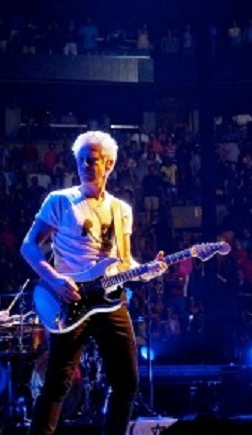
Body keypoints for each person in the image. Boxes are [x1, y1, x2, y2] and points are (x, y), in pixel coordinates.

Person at [21, 130, 166, 435]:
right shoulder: (59, 200)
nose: (85, 166)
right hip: (70, 300)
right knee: (57, 384)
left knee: (126, 383)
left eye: (92, 160)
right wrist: (55, 279)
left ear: (109, 164)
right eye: (81, 160)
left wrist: (148, 270)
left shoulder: (121, 210)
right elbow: (29, 246)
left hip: (110, 300)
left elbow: (123, 262)